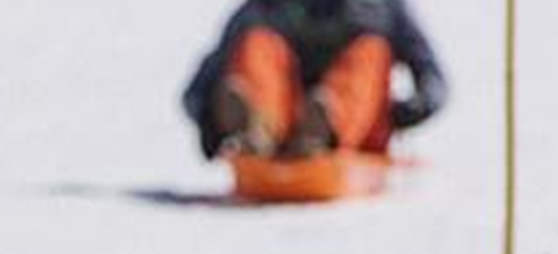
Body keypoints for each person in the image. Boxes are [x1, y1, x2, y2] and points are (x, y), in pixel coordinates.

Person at [184, 1, 449, 162]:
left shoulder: (382, 6)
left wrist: (410, 110)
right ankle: (257, 126)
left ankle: (323, 129)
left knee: (370, 51)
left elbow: (432, 76)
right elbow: (197, 87)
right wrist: (210, 116)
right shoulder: (267, 5)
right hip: (282, 117)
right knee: (258, 42)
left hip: (354, 122)